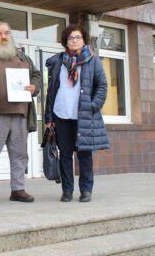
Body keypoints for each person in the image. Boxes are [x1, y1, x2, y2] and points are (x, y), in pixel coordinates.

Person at [0, 22, 41, 205]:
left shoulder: (22, 57)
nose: (4, 36)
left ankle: (18, 189)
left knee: (19, 154)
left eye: (7, 33)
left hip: (20, 113)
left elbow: (36, 75)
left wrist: (34, 86)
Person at [45, 24, 109, 203]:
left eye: (78, 37)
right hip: (61, 113)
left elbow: (102, 86)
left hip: (83, 114)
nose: (74, 41)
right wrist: (49, 117)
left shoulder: (93, 60)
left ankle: (86, 190)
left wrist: (93, 105)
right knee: (65, 154)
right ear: (66, 41)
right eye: (71, 38)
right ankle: (67, 190)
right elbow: (51, 91)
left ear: (84, 40)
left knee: (84, 153)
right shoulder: (58, 61)